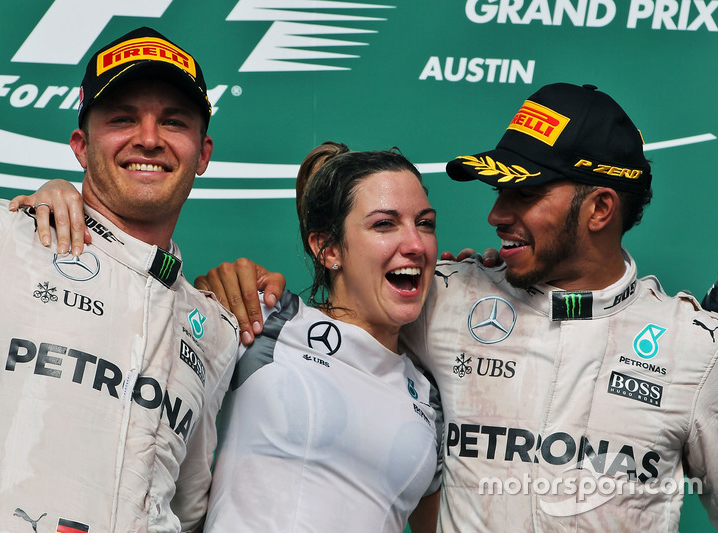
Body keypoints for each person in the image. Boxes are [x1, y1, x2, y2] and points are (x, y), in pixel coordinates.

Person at [198, 83, 718, 531]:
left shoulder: (695, 349)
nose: (495, 213)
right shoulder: (446, 294)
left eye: (524, 193)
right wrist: (234, 284)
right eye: (498, 190)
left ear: (601, 208)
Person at [27, 143, 445, 532]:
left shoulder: (431, 395)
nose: (414, 243)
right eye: (385, 224)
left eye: (424, 224)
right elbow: (121, 318)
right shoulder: (263, 318)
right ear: (327, 249)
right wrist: (62, 198)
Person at [0, 26, 238, 532]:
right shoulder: (4, 235)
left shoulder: (216, 329)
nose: (149, 139)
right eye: (122, 119)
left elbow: (190, 510)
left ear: (202, 154)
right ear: (81, 146)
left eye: (174, 122)